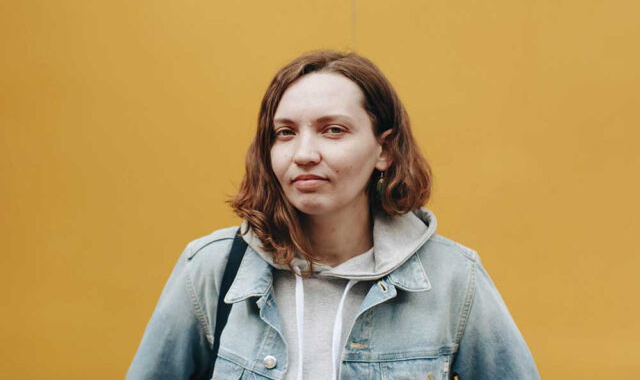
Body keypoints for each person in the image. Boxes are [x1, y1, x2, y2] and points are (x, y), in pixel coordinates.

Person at [127, 50, 540, 379]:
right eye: (285, 133)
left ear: (384, 150)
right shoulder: (212, 268)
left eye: (333, 130)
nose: (304, 153)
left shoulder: (453, 279)